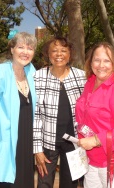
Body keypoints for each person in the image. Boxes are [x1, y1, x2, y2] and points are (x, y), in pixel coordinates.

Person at [0, 31, 37, 188]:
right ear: (12, 49)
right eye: (20, 47)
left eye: (30, 48)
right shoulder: (0, 72)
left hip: (26, 144)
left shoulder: (32, 71)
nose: (25, 52)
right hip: (5, 146)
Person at [75, 42, 114, 188]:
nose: (101, 65)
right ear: (90, 62)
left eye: (106, 60)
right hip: (92, 158)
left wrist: (96, 140)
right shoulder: (90, 83)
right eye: (97, 60)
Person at [33, 36, 86, 188]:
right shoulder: (38, 77)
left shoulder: (81, 76)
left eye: (63, 50)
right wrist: (37, 150)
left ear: (70, 54)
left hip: (73, 142)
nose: (59, 54)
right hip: (47, 143)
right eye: (54, 50)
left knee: (69, 184)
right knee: (44, 183)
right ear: (48, 55)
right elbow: (36, 116)